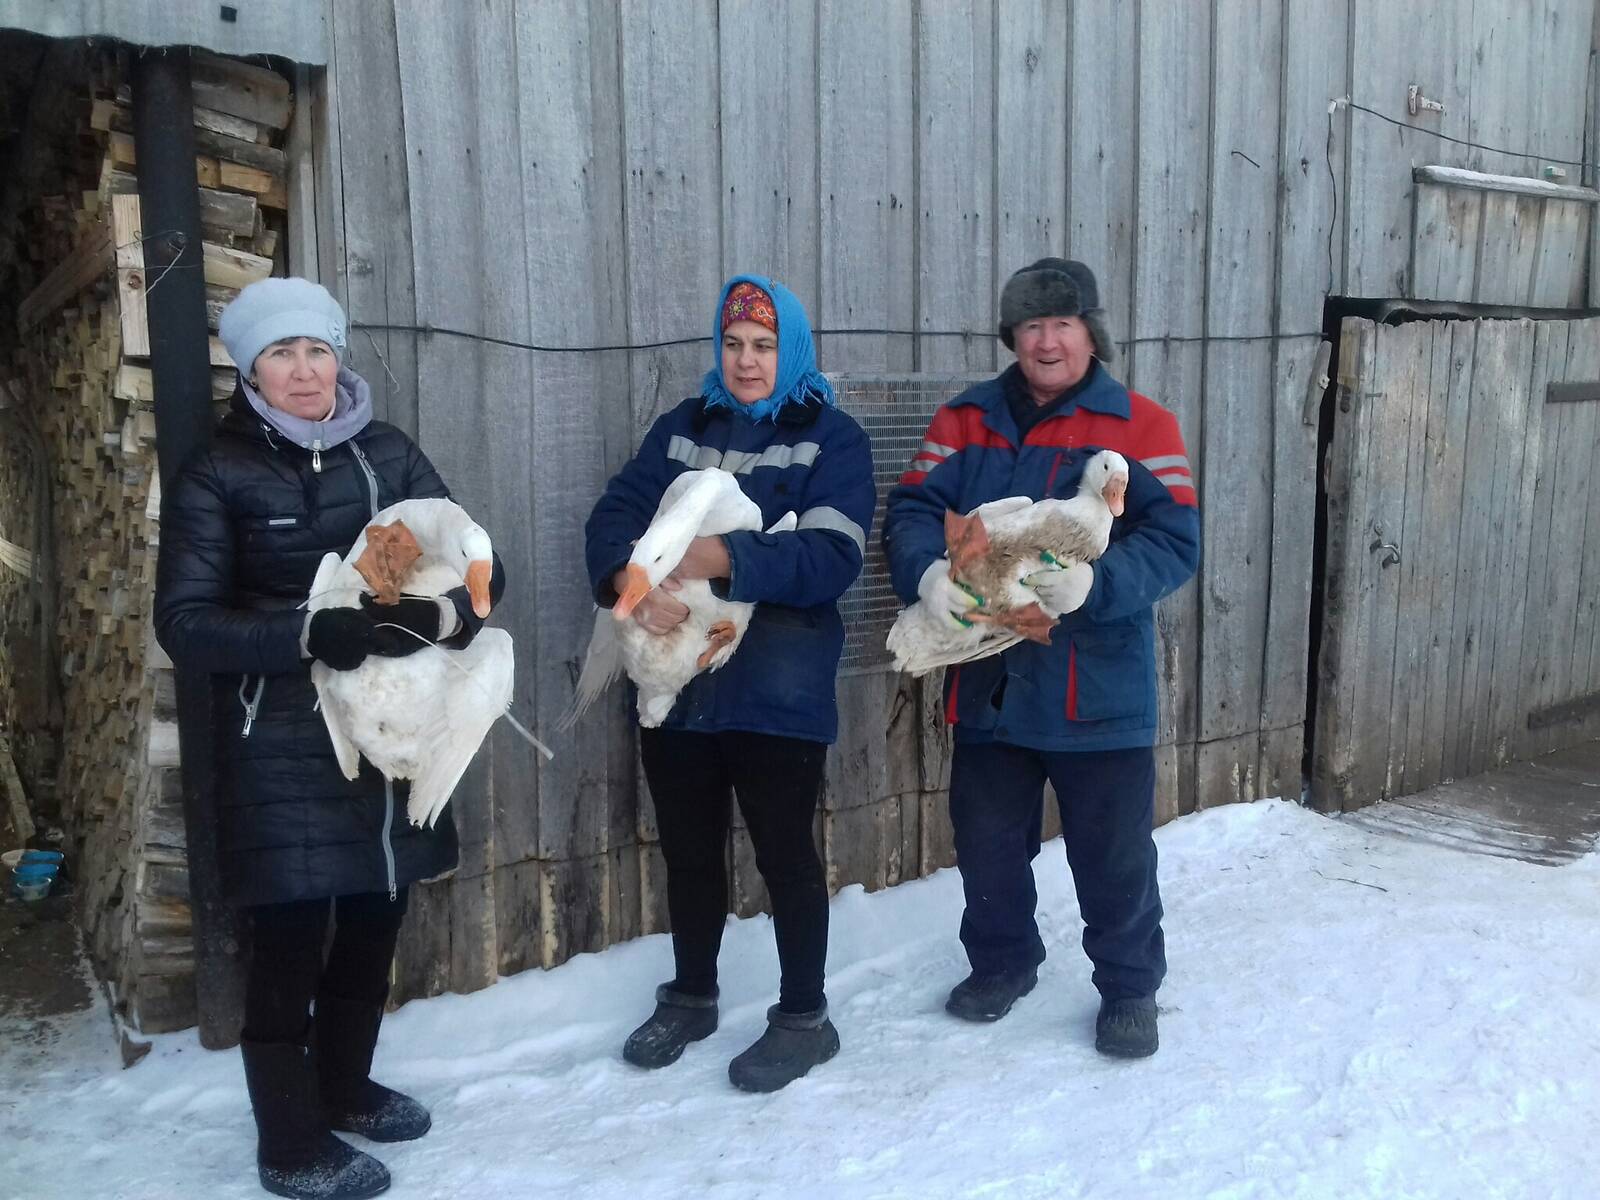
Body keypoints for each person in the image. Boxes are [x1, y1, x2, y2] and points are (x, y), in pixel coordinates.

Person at [155, 278, 504, 1199]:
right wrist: (307, 633)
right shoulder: (218, 472)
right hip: (282, 737)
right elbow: (185, 623)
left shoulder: (388, 452)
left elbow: (472, 557)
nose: (304, 371)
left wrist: (444, 614)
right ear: (250, 366)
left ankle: (344, 1086)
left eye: (317, 350)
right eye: (281, 354)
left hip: (396, 724)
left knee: (377, 912)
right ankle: (289, 1141)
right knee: (291, 932)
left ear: (338, 357)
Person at [882, 258, 1199, 1058]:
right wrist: (925, 574)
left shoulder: (1143, 426)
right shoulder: (965, 421)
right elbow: (915, 507)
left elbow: (1175, 542)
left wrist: (1096, 582)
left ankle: (1129, 987)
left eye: (1062, 324)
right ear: (1012, 338)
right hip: (990, 681)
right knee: (987, 840)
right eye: (1031, 326)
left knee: (1113, 852)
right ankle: (1002, 963)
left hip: (1097, 688)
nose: (1047, 341)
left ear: (1092, 332)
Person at [585, 274, 875, 1092]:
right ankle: (691, 995)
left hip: (775, 683)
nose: (748, 362)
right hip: (676, 679)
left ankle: (804, 1017)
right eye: (735, 345)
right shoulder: (682, 428)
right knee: (687, 850)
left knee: (785, 852)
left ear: (793, 350)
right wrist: (627, 590)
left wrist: (720, 560)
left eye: (765, 345)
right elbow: (615, 516)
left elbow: (832, 557)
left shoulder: (832, 439)